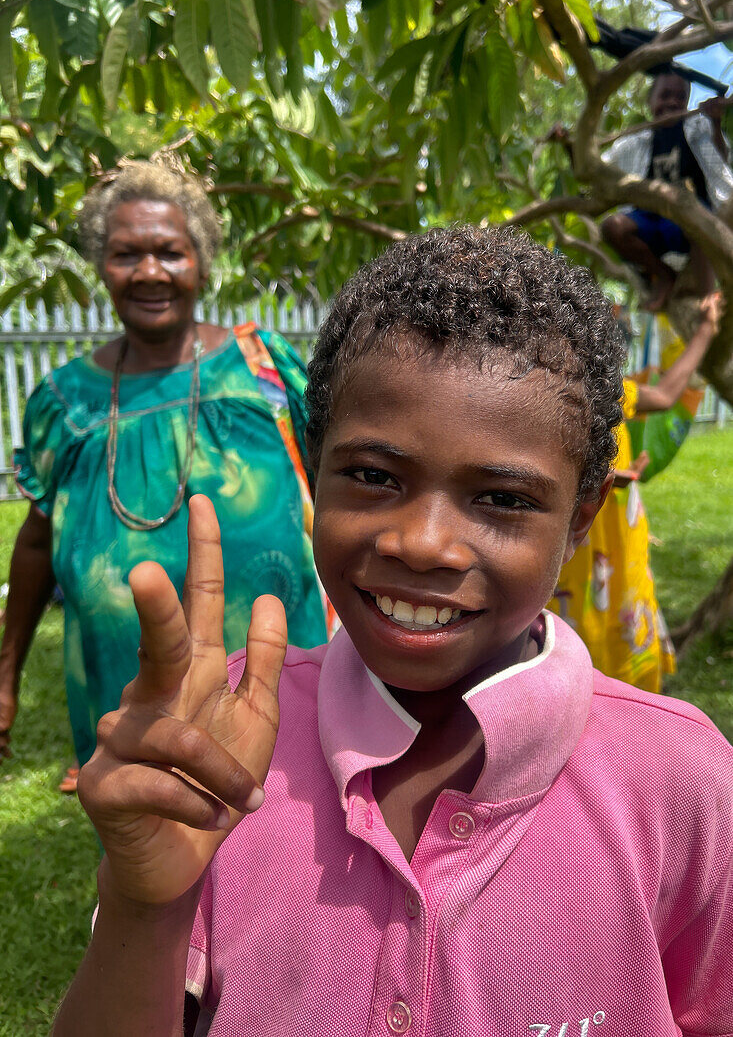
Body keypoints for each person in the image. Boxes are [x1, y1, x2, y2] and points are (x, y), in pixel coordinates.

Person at [53, 228, 731, 1036]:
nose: (422, 542)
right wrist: (143, 905)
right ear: (315, 464)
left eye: (502, 499)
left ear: (580, 519)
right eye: (374, 477)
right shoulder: (220, 746)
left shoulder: (681, 782)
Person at [0, 154, 327, 789]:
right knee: (153, 862)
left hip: (283, 684)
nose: (150, 272)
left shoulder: (262, 369)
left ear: (202, 262)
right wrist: (6, 671)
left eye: (170, 253)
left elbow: (340, 492)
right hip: (126, 701)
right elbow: (36, 540)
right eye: (127, 254)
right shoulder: (66, 404)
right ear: (102, 266)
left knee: (289, 848)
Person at [549, 291, 723, 693]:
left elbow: (664, 396)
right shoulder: (553, 396)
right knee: (577, 622)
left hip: (615, 536)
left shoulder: (610, 393)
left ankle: (620, 704)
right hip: (579, 538)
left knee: (615, 607)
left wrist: (705, 331)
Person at [600, 73, 732, 311]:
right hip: (650, 221)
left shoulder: (698, 128)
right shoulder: (635, 140)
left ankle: (707, 303)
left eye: (680, 98)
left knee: (700, 221)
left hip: (690, 222)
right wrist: (569, 144)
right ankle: (663, 276)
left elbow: (721, 163)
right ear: (650, 102)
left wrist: (715, 122)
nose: (672, 103)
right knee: (612, 227)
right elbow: (597, 169)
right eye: (665, 96)